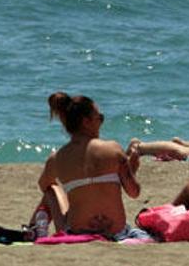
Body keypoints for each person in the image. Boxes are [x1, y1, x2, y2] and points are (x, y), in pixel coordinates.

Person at [33, 92, 145, 241]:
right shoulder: (113, 149)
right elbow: (134, 192)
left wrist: (75, 188)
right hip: (116, 232)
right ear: (86, 122)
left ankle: (35, 228)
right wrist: (133, 168)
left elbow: (43, 185)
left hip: (77, 231)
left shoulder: (57, 158)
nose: (101, 122)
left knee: (51, 189)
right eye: (100, 118)